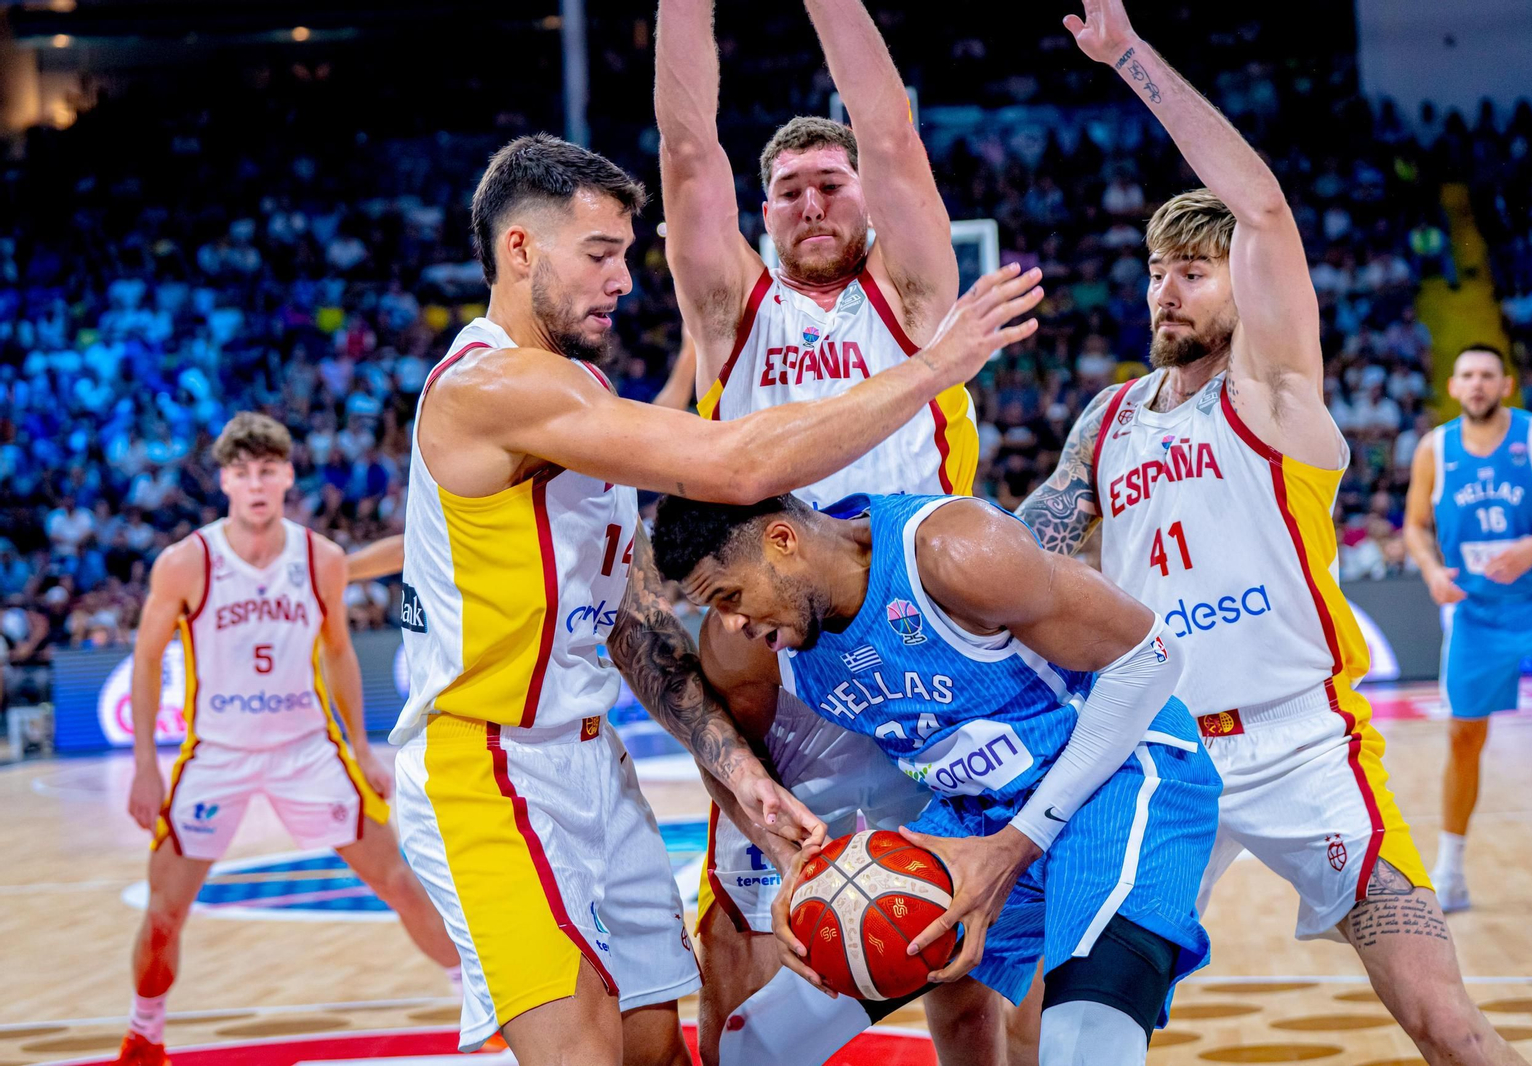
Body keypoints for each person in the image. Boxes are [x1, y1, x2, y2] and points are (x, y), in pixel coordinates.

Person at [386, 132, 1041, 1065]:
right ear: (520, 249)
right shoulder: (491, 383)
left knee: (659, 1052)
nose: (623, 280)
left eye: (625, 255)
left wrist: (740, 773)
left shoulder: (582, 396)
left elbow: (633, 620)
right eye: (600, 254)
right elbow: (736, 466)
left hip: (589, 762)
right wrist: (936, 366)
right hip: (484, 766)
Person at [1016, 3, 1528, 1062]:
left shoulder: (1275, 393)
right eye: (1157, 269)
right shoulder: (1106, 421)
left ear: (1242, 290)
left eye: (1193, 271)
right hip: (1157, 748)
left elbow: (1261, 207)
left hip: (1303, 744)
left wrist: (1127, 56)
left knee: (1444, 1021)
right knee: (1041, 1017)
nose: (1166, 289)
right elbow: (1021, 554)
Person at [654, 2, 1032, 1059]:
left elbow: (892, 131)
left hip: (924, 650)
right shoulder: (730, 310)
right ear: (763, 212)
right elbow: (686, 150)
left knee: (956, 955)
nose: (812, 203)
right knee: (742, 943)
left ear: (863, 193)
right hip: (779, 665)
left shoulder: (911, 296)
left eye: (831, 182)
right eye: (789, 191)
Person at [649, 491, 1221, 1066]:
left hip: (1117, 776)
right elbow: (721, 753)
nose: (732, 623)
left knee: (1085, 1045)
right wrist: (788, 860)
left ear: (782, 541)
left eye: (731, 597)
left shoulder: (954, 551)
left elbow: (1151, 657)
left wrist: (1019, 844)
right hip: (977, 814)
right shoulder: (743, 649)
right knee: (756, 1043)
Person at [118, 412, 461, 1066]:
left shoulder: (320, 559)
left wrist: (361, 748)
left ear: (287, 478)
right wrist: (144, 765)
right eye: (243, 472)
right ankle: (144, 1032)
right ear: (225, 481)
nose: (256, 483)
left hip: (308, 749)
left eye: (268, 470)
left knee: (397, 880)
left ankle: (475, 1003)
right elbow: (146, 659)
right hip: (215, 753)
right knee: (164, 910)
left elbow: (339, 653)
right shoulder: (185, 562)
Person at [1402, 344, 1532, 911]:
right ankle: (1451, 872)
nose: (1477, 383)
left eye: (1487, 375)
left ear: (1506, 384)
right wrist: (1431, 570)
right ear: (1454, 386)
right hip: (1478, 613)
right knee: (1463, 736)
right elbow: (1415, 525)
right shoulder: (1434, 449)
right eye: (1467, 375)